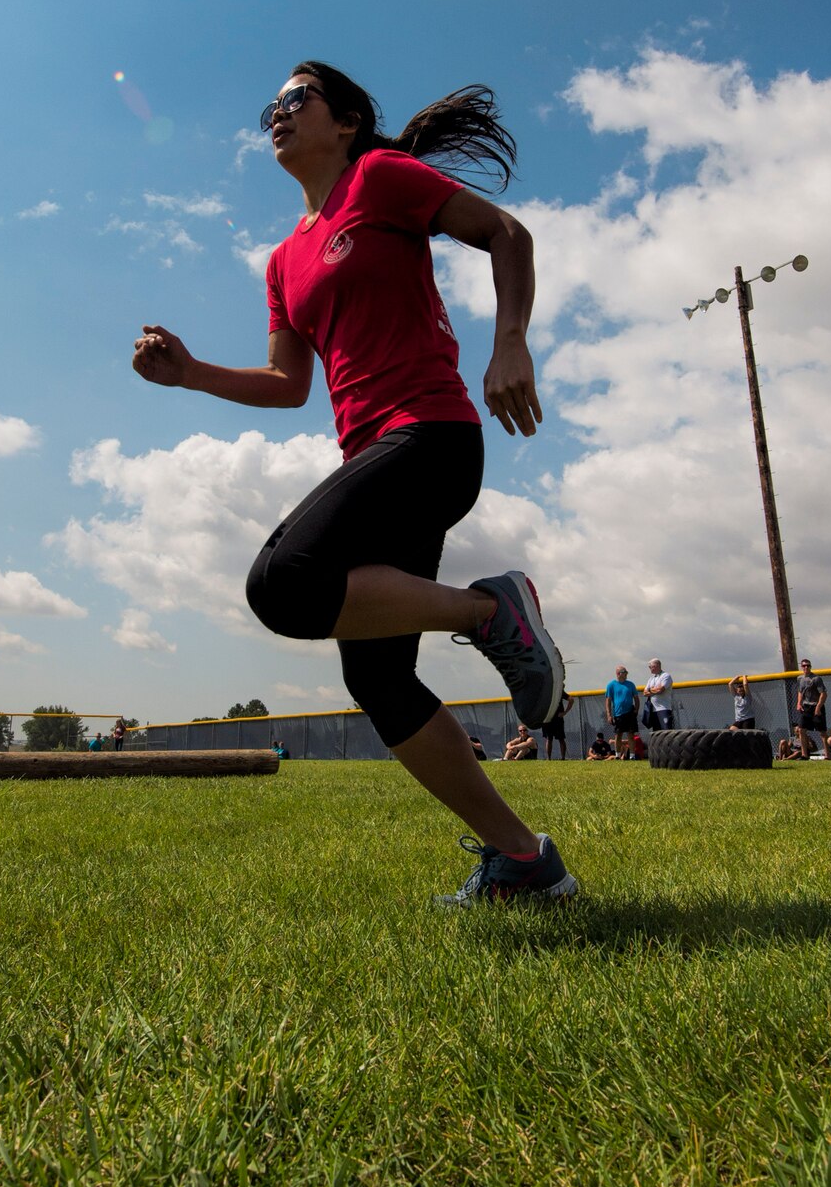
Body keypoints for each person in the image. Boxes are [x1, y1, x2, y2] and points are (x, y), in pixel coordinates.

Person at [134, 63, 576, 906]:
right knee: (376, 681)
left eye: (294, 100)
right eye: (268, 105)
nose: (276, 114)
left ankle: (491, 611)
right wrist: (191, 375)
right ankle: (523, 859)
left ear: (345, 121)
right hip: (372, 458)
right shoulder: (283, 259)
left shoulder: (379, 178)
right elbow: (284, 382)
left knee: (283, 585)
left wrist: (509, 343)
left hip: (431, 439)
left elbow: (506, 235)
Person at [793, 659, 827, 760]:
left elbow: (823, 694)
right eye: (804, 666)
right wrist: (799, 703)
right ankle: (804, 755)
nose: (806, 668)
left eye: (808, 666)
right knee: (802, 730)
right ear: (801, 667)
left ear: (810, 666)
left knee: (822, 732)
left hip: (816, 706)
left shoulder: (816, 678)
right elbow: (800, 691)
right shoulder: (800, 678)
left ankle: (827, 755)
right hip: (805, 707)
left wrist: (818, 707)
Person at [604, 666, 639, 759]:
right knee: (618, 735)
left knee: (631, 735)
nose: (626, 674)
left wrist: (636, 709)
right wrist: (609, 715)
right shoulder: (611, 685)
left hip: (630, 713)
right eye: (624, 672)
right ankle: (617, 755)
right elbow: (608, 700)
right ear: (619, 673)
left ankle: (632, 756)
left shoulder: (631, 684)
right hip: (618, 714)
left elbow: (636, 698)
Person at [541, 690, 575, 761]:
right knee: (549, 738)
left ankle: (562, 758)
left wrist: (565, 712)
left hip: (556, 718)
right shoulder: (545, 690)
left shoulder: (558, 690)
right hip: (548, 718)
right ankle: (549, 758)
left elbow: (571, 699)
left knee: (560, 738)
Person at [643, 660, 674, 731]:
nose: (649, 668)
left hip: (663, 709)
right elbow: (644, 693)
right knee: (656, 733)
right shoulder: (651, 679)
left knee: (666, 731)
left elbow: (660, 690)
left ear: (656, 666)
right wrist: (654, 690)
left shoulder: (666, 676)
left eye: (650, 667)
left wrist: (650, 690)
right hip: (653, 711)